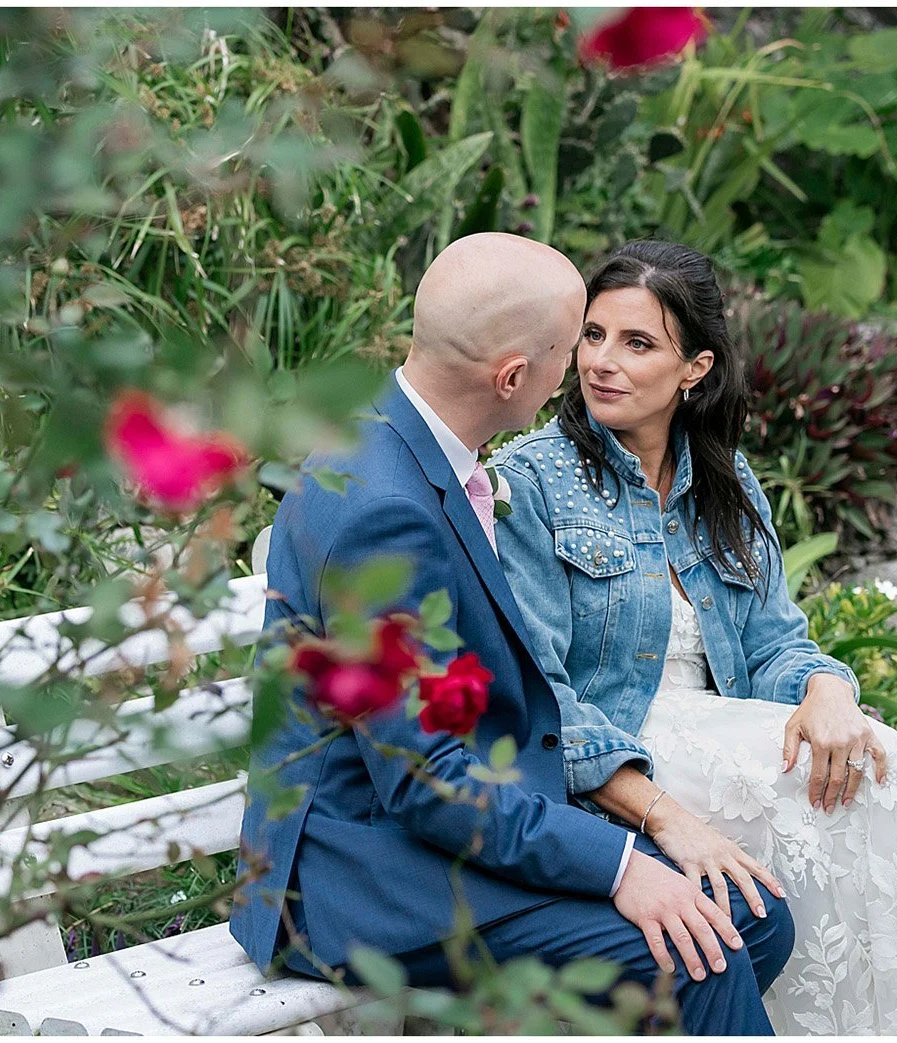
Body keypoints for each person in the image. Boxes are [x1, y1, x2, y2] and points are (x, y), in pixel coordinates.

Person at [493, 239, 897, 1034]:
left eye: (637, 343)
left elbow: (776, 645)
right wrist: (661, 810)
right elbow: (544, 697)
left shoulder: (727, 486)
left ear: (694, 368)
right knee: (839, 798)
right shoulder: (530, 482)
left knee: (879, 763)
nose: (603, 361)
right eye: (593, 335)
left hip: (721, 728)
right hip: (622, 755)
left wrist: (828, 689)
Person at [232, 232, 794, 1034]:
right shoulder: (381, 510)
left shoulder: (411, 450)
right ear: (512, 376)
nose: (585, 370)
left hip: (438, 827)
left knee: (753, 918)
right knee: (693, 951)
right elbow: (426, 781)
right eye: (573, 347)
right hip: (362, 877)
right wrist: (620, 864)